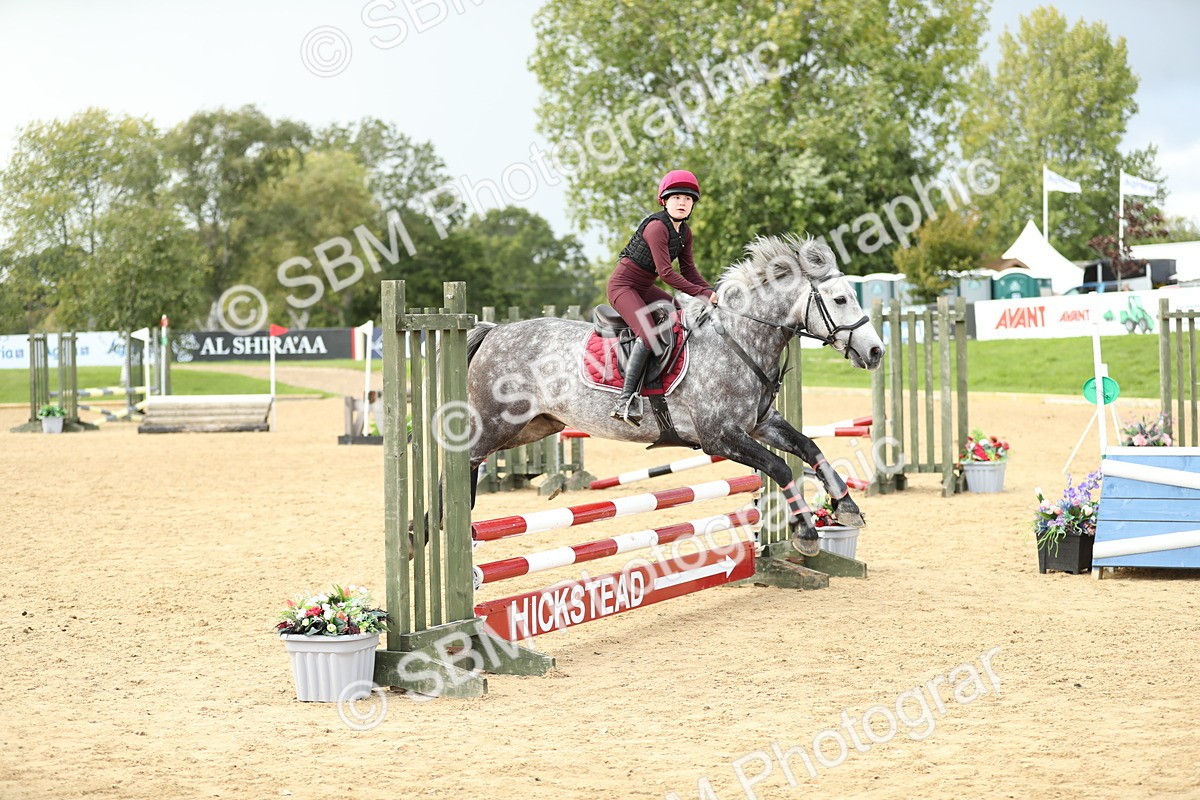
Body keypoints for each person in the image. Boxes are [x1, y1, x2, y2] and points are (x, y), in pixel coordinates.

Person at [607, 169, 719, 426]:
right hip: (623, 285)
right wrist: (702, 294)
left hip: (644, 287)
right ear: (665, 201)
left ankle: (666, 380)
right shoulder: (657, 227)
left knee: (677, 313)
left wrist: (713, 292)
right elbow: (667, 274)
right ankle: (625, 400)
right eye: (677, 197)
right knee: (647, 334)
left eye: (688, 199)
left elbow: (689, 271)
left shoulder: (684, 233)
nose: (682, 202)